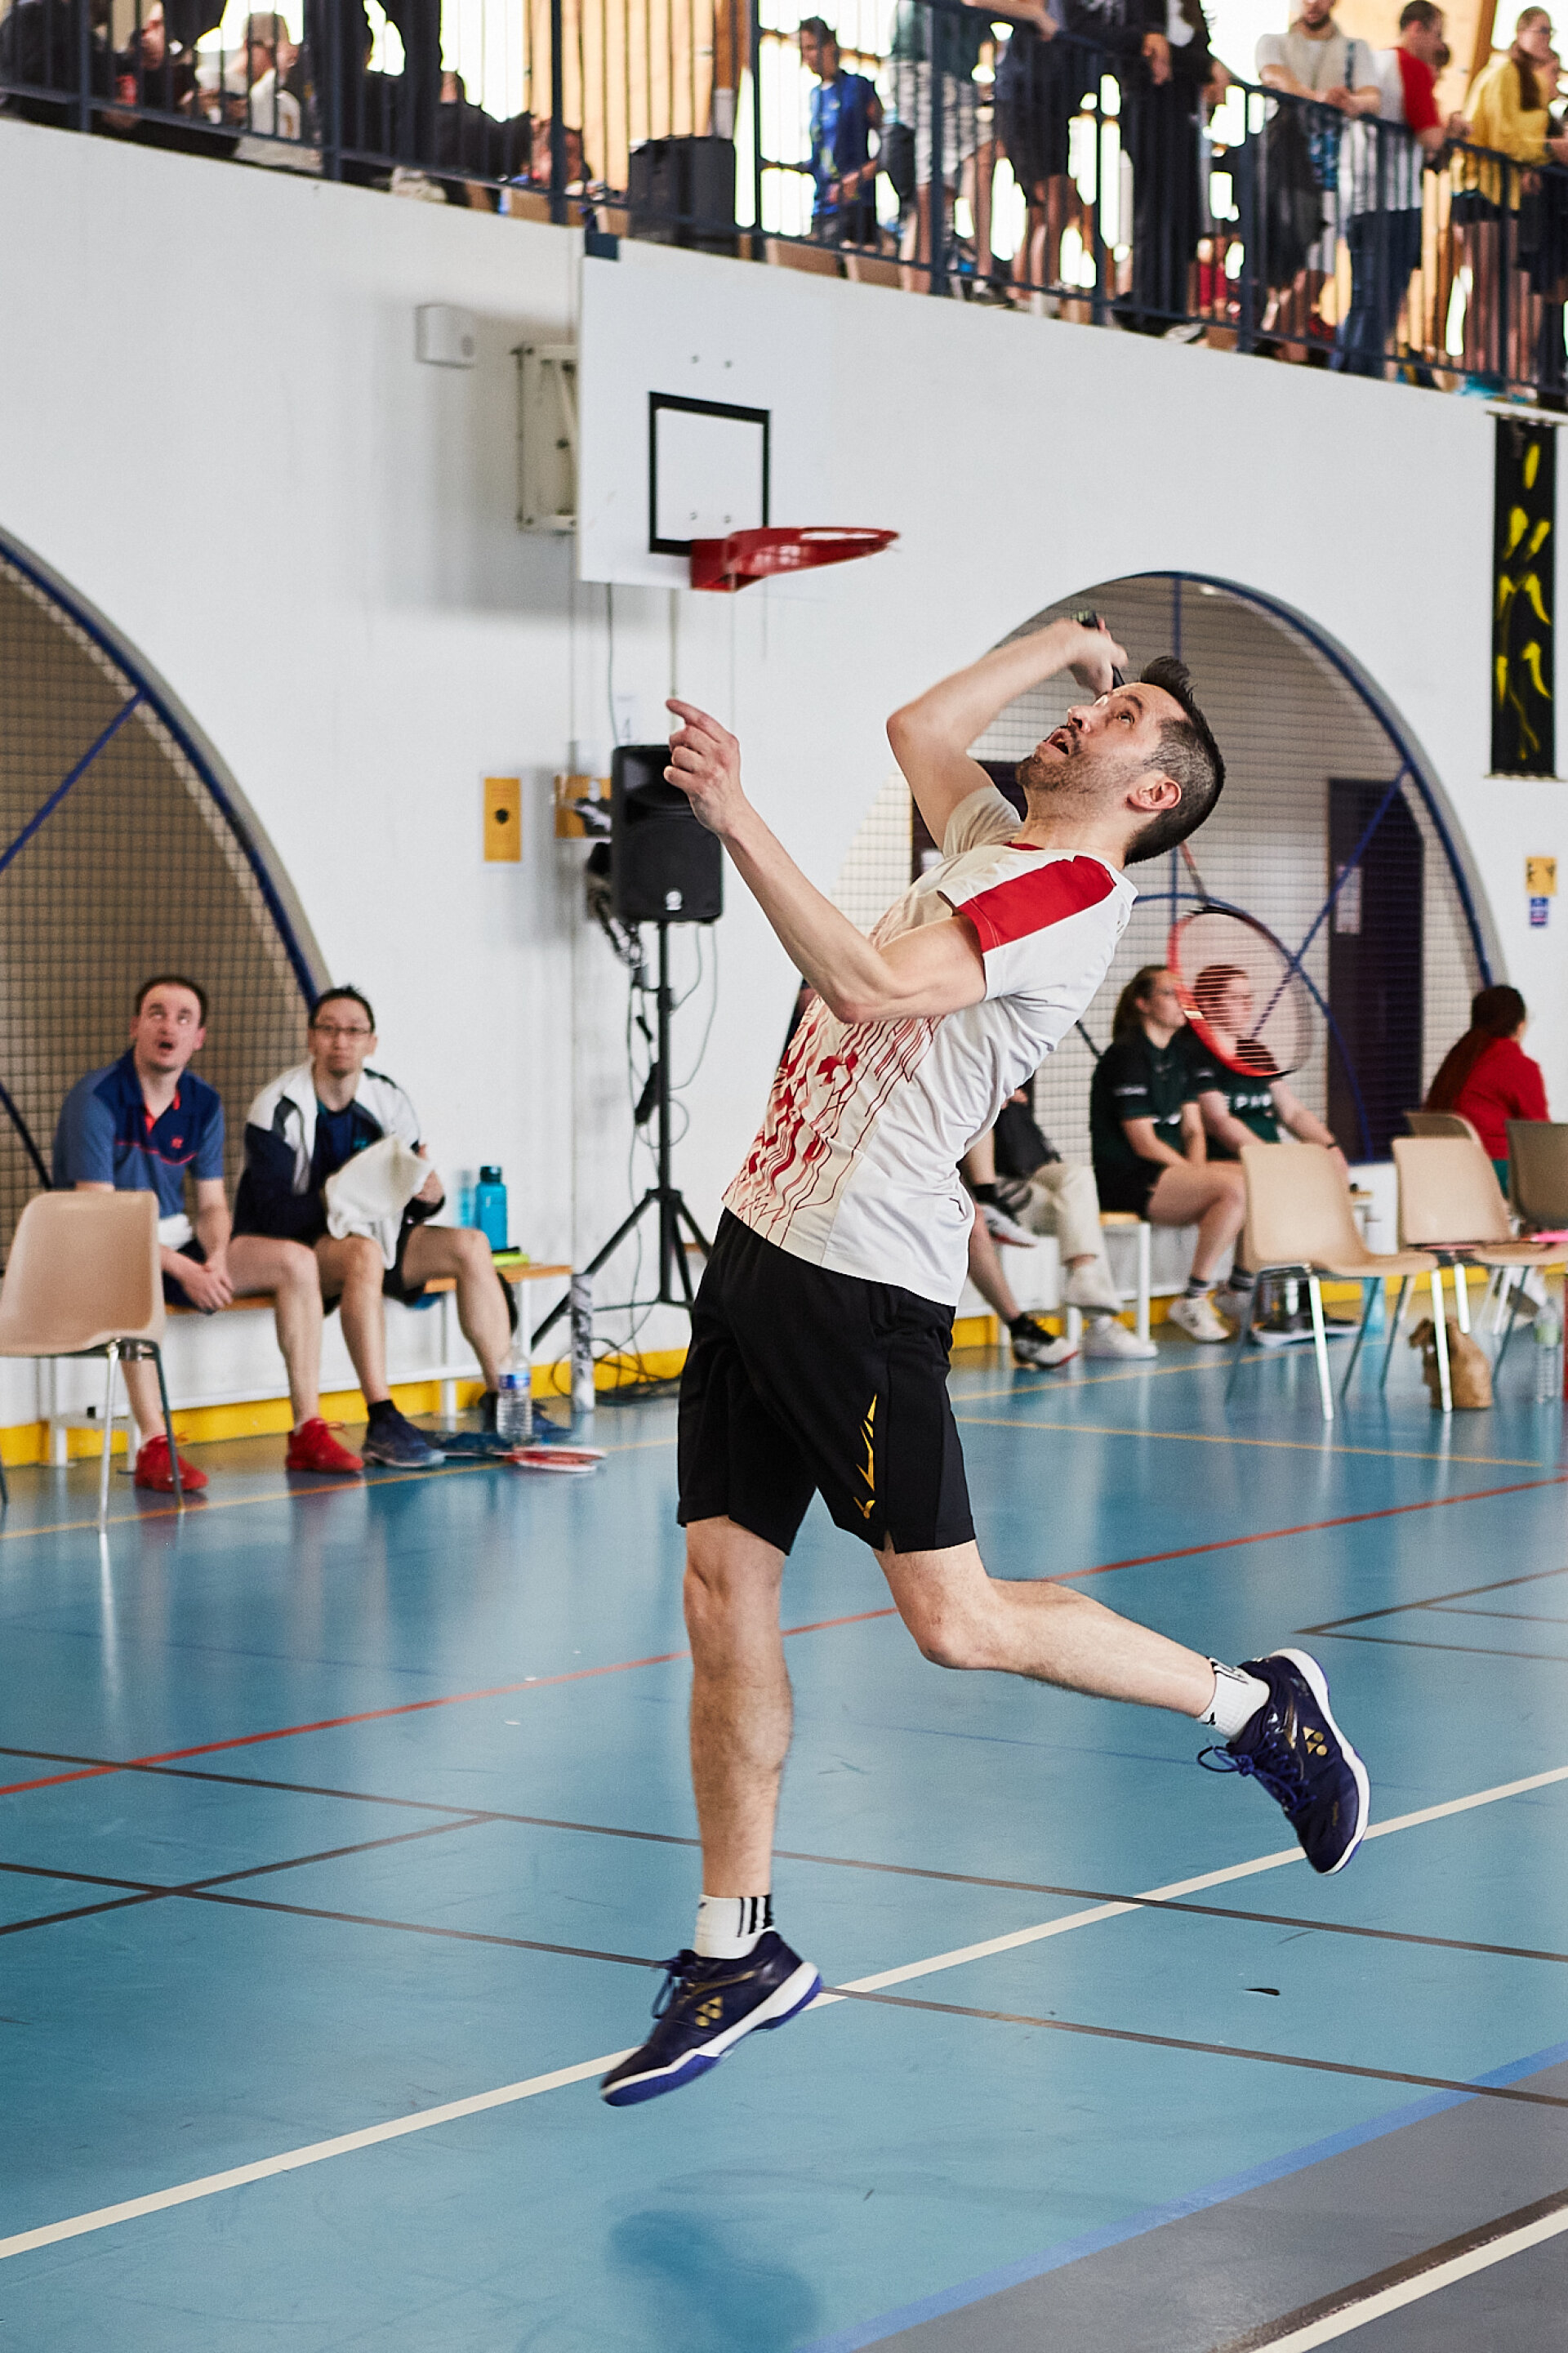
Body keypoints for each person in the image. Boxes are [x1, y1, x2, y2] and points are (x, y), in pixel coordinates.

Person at [599, 615, 1368, 2109]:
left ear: (1154, 792)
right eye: (1102, 700)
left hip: (860, 1285)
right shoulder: (989, 839)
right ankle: (735, 1946)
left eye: (1125, 717)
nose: (1090, 716)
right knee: (718, 1590)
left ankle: (1256, 1705)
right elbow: (918, 726)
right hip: (762, 1242)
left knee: (953, 1620)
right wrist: (1064, 643)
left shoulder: (1071, 893)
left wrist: (735, 815)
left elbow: (870, 988)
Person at [52, 976, 363, 1495]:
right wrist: (183, 1270)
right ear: (135, 1027)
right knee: (137, 1280)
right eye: (156, 1013)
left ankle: (307, 1431)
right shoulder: (97, 1099)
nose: (168, 1026)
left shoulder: (203, 1103)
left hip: (176, 1243)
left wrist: (215, 1257)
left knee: (297, 1262)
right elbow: (104, 1217)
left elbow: (213, 1204)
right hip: (100, 1250)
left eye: (183, 1018)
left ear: (198, 1038)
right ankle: (154, 1444)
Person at [234, 987, 512, 1470]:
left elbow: (411, 1199)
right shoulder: (277, 1107)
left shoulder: (389, 1099)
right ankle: (382, 1418)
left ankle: (506, 1402)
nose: (341, 1041)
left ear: (371, 1042)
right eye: (328, 1029)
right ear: (311, 1039)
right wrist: (339, 1195)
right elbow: (274, 1216)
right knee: (361, 1252)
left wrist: (430, 1197)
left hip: (377, 1236)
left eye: (353, 1031)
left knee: (471, 1244)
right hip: (303, 1246)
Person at [1187, 961, 1348, 1343]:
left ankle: (1291, 1297)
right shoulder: (1198, 1056)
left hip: (1269, 1162)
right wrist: (1269, 1160)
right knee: (1278, 1189)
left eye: (1249, 998)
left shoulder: (1255, 1052)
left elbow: (1291, 1112)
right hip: (1229, 1162)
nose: (1247, 1005)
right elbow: (1219, 1120)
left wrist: (1328, 1146)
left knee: (1325, 1178)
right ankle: (1249, 1291)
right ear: (1208, 1004)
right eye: (1236, 998)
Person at [1088, 965, 1245, 1343]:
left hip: (1171, 1173)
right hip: (1129, 1177)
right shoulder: (1125, 1056)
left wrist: (1197, 1172)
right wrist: (1198, 1176)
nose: (1182, 1003)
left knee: (1254, 1178)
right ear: (1143, 1003)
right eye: (1170, 994)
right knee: (1233, 1189)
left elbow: (1193, 1129)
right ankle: (1193, 1298)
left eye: (1184, 995)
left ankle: (1240, 1287)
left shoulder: (1180, 1055)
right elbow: (1144, 1142)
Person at [964, 1094, 1156, 1357]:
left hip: (1029, 1173)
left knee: (1078, 1177)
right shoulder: (970, 1089)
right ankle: (1099, 1323)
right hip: (991, 1187)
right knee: (1079, 1213)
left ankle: (1084, 1276)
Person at [1334, 0, 1466, 378]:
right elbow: (1430, 138)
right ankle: (1364, 377)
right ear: (1416, 28)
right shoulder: (1411, 66)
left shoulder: (1373, 63)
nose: (1439, 46)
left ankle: (1344, 370)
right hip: (1394, 201)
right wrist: (1452, 130)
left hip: (1357, 198)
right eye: (1437, 34)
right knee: (1382, 297)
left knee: (1364, 295)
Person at [1256, 0, 1381, 359]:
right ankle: (1272, 342)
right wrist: (1319, 98)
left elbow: (1372, 96)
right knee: (1282, 261)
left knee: (1318, 266)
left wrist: (1350, 101)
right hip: (1283, 167)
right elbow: (1275, 76)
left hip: (1330, 171)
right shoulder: (1273, 42)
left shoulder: (1355, 50)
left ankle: (1270, 342)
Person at [1454, 8, 1568, 390]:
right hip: (1481, 188)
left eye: (1551, 33)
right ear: (1520, 33)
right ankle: (1472, 372)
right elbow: (1506, 139)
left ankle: (1495, 375)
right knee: (1484, 285)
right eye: (1541, 31)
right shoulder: (1504, 73)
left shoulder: (1526, 84)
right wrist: (1548, 149)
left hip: (1506, 194)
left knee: (1505, 291)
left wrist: (1535, 158)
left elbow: (1520, 140)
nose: (1547, 39)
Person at [1424, 982, 1548, 1183]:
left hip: (1451, 1172)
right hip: (1497, 1174)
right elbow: (1541, 1137)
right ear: (1520, 1026)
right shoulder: (1517, 1066)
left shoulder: (1457, 1063)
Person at [798, 17, 883, 245]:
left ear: (830, 46)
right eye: (803, 50)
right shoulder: (815, 96)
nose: (807, 57)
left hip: (857, 204)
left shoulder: (858, 87)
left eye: (812, 48)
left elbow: (889, 142)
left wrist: (860, 176)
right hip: (822, 206)